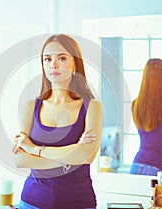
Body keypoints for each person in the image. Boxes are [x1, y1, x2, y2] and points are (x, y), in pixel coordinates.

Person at [11, 34, 103, 209]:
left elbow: (85, 156)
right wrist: (69, 160)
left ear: (75, 63)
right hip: (32, 202)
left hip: (78, 203)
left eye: (61, 58)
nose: (53, 64)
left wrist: (34, 149)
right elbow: (20, 160)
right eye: (47, 59)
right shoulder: (31, 106)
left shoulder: (92, 106)